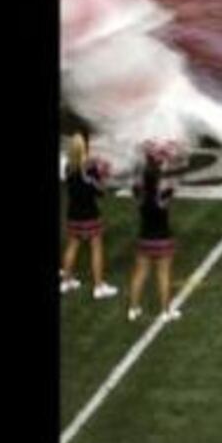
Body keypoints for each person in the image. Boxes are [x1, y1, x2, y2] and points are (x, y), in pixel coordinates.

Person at [128, 140, 184, 323]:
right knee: (163, 274)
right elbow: (177, 177)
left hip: (144, 237)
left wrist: (149, 155)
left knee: (140, 273)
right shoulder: (164, 194)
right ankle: (166, 311)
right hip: (163, 238)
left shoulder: (139, 192)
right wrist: (172, 157)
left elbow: (136, 174)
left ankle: (133, 308)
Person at [61, 133, 118, 300]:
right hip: (89, 214)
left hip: (73, 213)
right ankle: (99, 286)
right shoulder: (89, 169)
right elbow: (99, 192)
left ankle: (66, 281)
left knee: (72, 245)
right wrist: (103, 176)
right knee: (96, 248)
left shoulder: (68, 167)